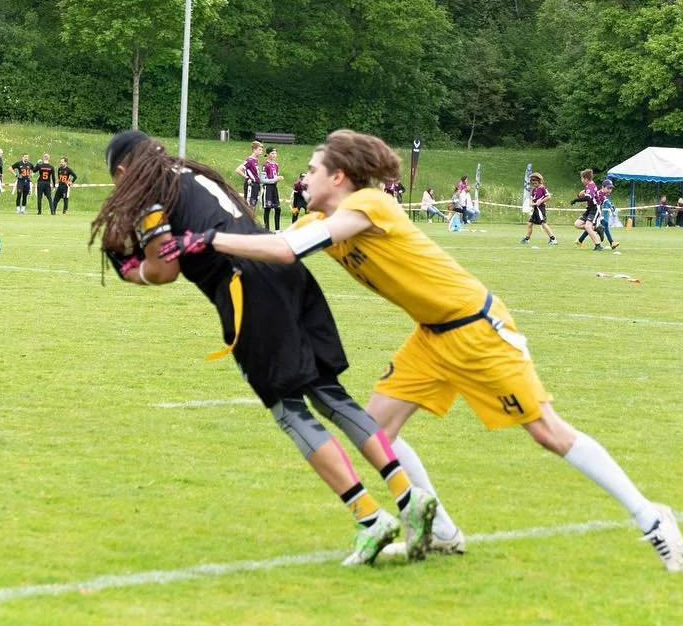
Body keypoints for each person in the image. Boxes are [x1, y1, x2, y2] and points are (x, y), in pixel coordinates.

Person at [168, 129, 683, 572]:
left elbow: (283, 249)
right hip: (431, 336)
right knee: (376, 430)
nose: (302, 178)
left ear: (340, 178)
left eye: (311, 169)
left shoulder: (369, 204)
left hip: (477, 329)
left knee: (547, 432)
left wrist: (207, 240)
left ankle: (651, 517)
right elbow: (268, 247)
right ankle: (441, 530)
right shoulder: (315, 221)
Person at [93, 130, 440, 565]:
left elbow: (164, 269)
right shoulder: (195, 175)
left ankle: (370, 519)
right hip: (283, 273)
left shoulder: (149, 189)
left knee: (291, 412)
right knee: (331, 396)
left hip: (245, 291)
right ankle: (409, 497)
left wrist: (132, 272)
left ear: (124, 170)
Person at [521, 172, 557, 245]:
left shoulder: (543, 188)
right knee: (530, 224)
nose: (534, 185)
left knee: (543, 224)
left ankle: (553, 239)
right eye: (533, 183)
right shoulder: (535, 189)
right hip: (535, 209)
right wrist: (531, 203)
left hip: (540, 209)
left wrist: (540, 202)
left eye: (535, 183)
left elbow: (548, 196)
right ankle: (527, 239)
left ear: (540, 181)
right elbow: (532, 197)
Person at [571, 169, 603, 249]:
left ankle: (598, 245)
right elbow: (584, 193)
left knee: (588, 227)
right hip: (589, 209)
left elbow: (588, 198)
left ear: (586, 179)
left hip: (595, 209)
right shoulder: (588, 186)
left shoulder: (591, 186)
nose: (581, 180)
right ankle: (597, 228)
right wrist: (579, 195)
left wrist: (576, 200)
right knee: (577, 224)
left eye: (582, 178)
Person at [234, 141, 263, 215]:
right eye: (259, 149)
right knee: (249, 205)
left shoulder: (256, 160)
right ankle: (245, 222)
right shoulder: (249, 160)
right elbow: (238, 170)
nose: (261, 152)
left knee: (253, 204)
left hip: (256, 184)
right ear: (254, 150)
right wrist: (247, 178)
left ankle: (251, 222)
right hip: (251, 185)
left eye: (261, 150)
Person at [261, 147, 283, 230]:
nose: (274, 155)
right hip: (267, 188)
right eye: (272, 153)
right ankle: (267, 229)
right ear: (268, 154)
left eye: (275, 153)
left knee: (278, 208)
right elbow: (262, 180)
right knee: (268, 208)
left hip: (274, 188)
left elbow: (275, 177)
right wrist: (274, 180)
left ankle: (277, 229)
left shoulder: (276, 165)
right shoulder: (265, 165)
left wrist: (278, 179)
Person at [596, 179, 620, 250]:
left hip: (596, 214)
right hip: (593, 214)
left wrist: (611, 206)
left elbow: (607, 201)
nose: (610, 190)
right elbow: (606, 202)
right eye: (608, 188)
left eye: (611, 188)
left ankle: (580, 240)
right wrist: (611, 206)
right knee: (594, 227)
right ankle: (612, 243)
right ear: (603, 187)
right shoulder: (600, 193)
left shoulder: (603, 194)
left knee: (591, 227)